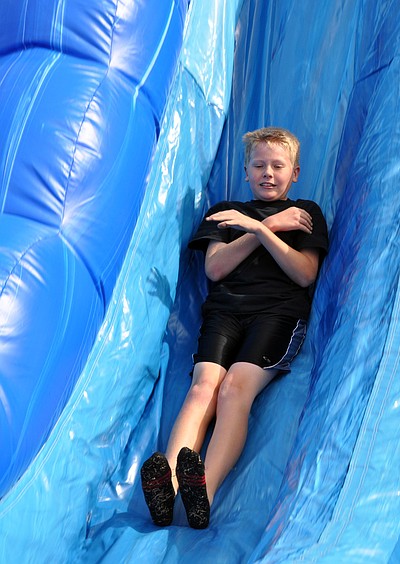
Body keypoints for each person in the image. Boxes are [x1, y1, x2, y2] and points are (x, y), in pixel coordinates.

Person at [140, 126, 329, 528]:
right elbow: (215, 267)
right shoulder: (227, 212)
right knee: (202, 388)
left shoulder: (306, 213)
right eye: (258, 165)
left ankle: (201, 495)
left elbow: (304, 275)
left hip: (277, 315)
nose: (268, 173)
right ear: (245, 170)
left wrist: (264, 227)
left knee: (233, 389)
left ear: (294, 173)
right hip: (224, 312)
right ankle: (168, 488)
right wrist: (263, 227)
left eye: (278, 166)